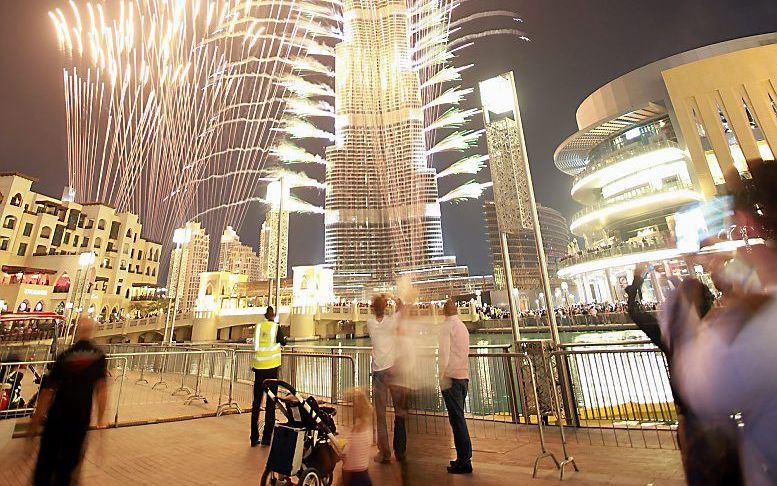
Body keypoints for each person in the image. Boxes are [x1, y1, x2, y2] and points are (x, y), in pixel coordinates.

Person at [625, 264, 741, 485]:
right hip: (724, 423)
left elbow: (635, 311)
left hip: (692, 425)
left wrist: (638, 279)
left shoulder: (673, 338)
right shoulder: (720, 331)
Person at [29, 316, 108, 486]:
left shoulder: (64, 356)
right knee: (69, 464)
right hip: (79, 419)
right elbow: (102, 390)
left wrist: (35, 421)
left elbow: (48, 392)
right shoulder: (99, 357)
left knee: (46, 462)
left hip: (57, 417)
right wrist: (101, 420)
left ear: (77, 331)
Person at [366, 294, 405, 463]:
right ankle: (401, 450)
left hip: (379, 373)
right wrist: (392, 297)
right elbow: (401, 308)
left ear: (373, 309)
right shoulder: (391, 321)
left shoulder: (370, 323)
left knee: (380, 415)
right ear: (386, 307)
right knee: (399, 411)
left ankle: (384, 453)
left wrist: (383, 300)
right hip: (393, 370)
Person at [438, 299, 472, 474]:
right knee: (459, 419)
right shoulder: (462, 327)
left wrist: (441, 375)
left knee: (457, 420)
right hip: (463, 377)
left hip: (451, 378)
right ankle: (464, 456)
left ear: (445, 311)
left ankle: (464, 460)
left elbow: (443, 353)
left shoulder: (446, 327)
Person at [250, 305, 287, 447]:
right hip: (271, 369)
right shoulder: (276, 327)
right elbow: (283, 341)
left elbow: (255, 346)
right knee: (271, 404)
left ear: (266, 315)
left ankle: (253, 438)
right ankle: (266, 438)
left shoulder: (258, 327)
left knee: (256, 403)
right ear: (274, 316)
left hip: (259, 368)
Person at [342, 389, 373, 486]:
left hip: (354, 477)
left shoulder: (355, 432)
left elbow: (349, 461)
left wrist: (343, 454)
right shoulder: (368, 429)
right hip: (365, 474)